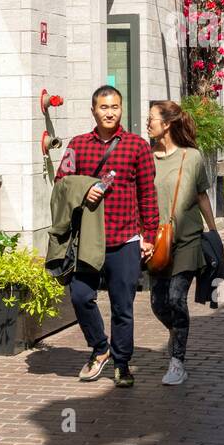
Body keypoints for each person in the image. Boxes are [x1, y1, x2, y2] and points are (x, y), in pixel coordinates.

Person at [55, 86, 158, 388]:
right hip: (88, 240)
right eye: (103, 107)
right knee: (80, 296)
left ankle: (122, 364)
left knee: (122, 307)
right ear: (93, 110)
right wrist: (83, 190)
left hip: (125, 239)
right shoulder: (77, 145)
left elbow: (148, 194)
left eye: (115, 107)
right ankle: (100, 348)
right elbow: (62, 182)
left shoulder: (137, 146)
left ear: (122, 109)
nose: (110, 112)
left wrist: (148, 235)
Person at [146, 100, 220, 386]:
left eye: (152, 118)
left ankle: (177, 361)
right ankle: (177, 331)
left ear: (167, 124)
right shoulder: (146, 156)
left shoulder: (192, 157)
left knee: (177, 298)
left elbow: (201, 196)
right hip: (155, 241)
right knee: (158, 304)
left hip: (187, 239)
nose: (148, 123)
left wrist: (213, 232)